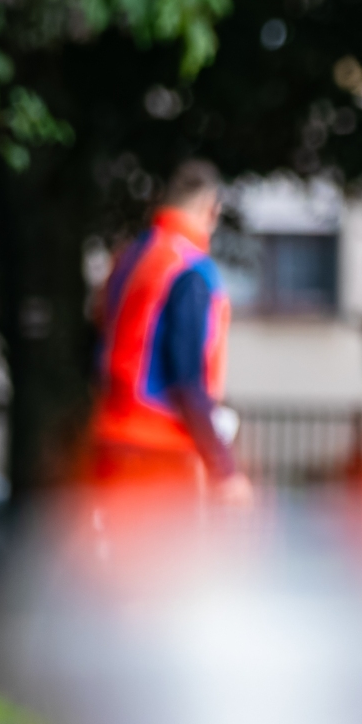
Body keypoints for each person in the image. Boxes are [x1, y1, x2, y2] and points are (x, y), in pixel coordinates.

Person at [88, 159, 251, 504]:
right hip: (159, 448)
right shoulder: (189, 270)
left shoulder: (131, 258)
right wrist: (224, 469)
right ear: (210, 209)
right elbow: (186, 376)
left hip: (112, 438)